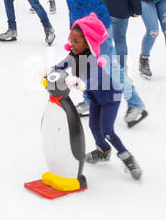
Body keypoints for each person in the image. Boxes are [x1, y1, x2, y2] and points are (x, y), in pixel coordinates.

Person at [58, 0, 148, 127]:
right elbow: (74, 10)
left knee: (111, 69)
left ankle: (136, 104)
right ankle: (89, 100)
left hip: (97, 32)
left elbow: (95, 14)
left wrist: (87, 36)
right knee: (83, 67)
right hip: (82, 32)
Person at [49, 16, 142, 181]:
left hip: (110, 97)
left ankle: (127, 157)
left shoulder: (93, 59)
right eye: (71, 40)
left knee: (107, 130)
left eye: (76, 41)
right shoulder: (73, 55)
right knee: (93, 126)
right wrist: (51, 71)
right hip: (96, 99)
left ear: (88, 42)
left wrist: (79, 82)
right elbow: (63, 64)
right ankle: (103, 151)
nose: (73, 44)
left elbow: (94, 80)